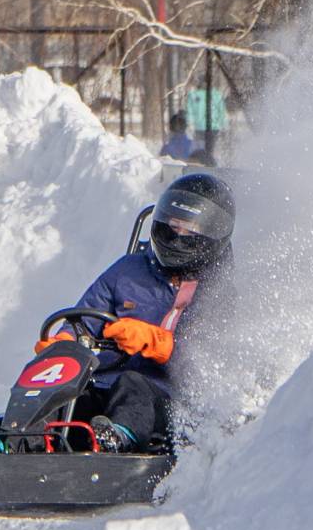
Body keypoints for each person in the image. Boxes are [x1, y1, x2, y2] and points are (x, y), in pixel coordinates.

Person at [33, 173, 236, 452]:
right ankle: (16, 438)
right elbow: (86, 319)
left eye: (188, 232)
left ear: (211, 237)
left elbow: (214, 361)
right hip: (104, 383)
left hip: (164, 400)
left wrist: (158, 343)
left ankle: (116, 440)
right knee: (63, 387)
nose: (177, 238)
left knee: (133, 384)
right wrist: (64, 343)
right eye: (173, 227)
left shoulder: (219, 291)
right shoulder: (127, 270)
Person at [185, 78, 229, 162]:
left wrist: (190, 124)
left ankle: (202, 164)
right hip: (214, 128)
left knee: (200, 150)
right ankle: (212, 164)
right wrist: (224, 126)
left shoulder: (193, 95)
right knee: (212, 149)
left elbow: (189, 112)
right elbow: (222, 112)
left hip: (199, 128)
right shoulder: (216, 95)